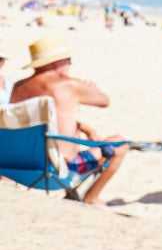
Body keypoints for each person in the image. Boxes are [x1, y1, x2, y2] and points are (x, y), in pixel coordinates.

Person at [7, 36, 130, 205]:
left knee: (73, 132)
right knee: (120, 144)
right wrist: (92, 88)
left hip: (19, 167)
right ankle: (91, 198)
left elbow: (39, 123)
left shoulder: (18, 86)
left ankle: (73, 194)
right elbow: (104, 101)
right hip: (58, 171)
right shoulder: (69, 85)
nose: (70, 65)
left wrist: (83, 127)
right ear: (55, 63)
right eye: (68, 60)